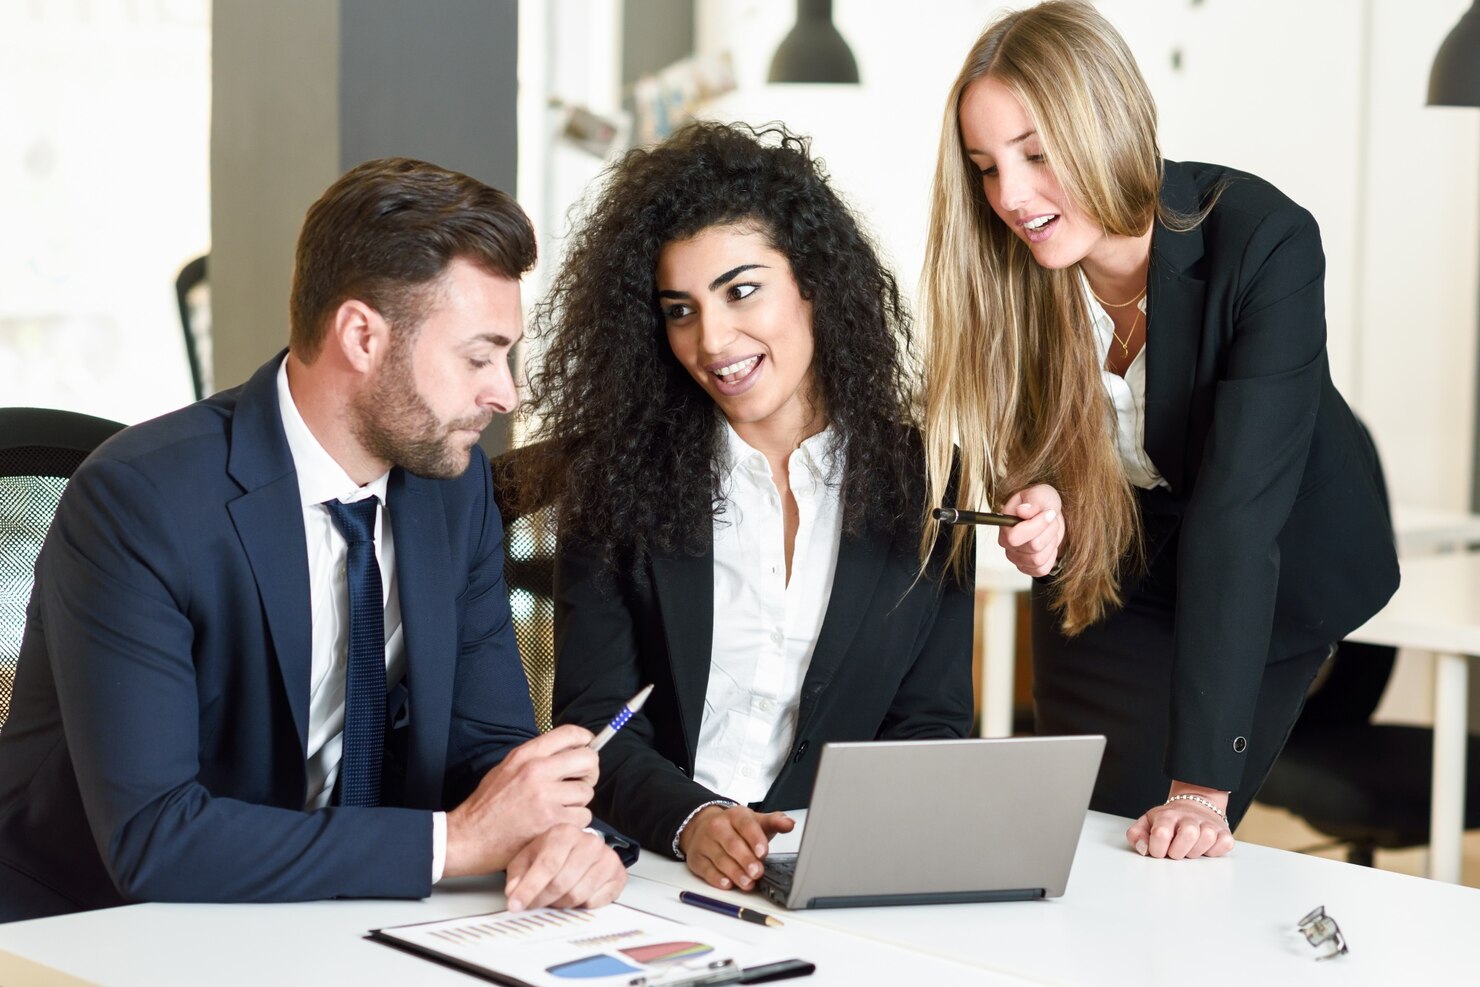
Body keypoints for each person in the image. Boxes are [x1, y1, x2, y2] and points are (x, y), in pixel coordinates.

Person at [0, 158, 631, 922]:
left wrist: (545, 833)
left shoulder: (450, 488)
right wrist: (456, 842)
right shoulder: (138, 503)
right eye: (478, 356)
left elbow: (486, 742)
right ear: (362, 336)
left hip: (331, 913)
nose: (506, 392)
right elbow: (154, 837)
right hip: (98, 926)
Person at [920, 1, 1399, 860]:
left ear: (1105, 122)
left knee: (1174, 832)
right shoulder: (1016, 269)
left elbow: (1237, 516)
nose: (1011, 197)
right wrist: (1042, 503)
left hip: (1263, 559)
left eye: (1036, 153)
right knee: (1080, 833)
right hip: (1116, 553)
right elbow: (1028, 441)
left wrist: (1200, 788)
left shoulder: (1264, 241)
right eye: (987, 167)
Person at [520, 122, 973, 893]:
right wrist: (693, 818)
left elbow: (933, 722)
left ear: (813, 282)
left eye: (741, 290)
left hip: (836, 871)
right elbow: (598, 720)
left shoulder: (925, 479)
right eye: (680, 309)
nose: (712, 340)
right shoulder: (618, 479)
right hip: (653, 867)